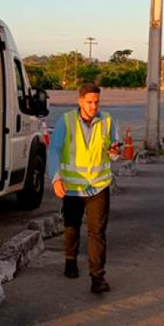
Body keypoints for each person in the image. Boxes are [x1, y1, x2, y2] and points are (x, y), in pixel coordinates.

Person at [47, 83, 120, 294]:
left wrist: (114, 151)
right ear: (80, 101)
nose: (93, 106)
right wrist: (56, 178)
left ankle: (97, 277)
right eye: (89, 102)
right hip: (72, 187)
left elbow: (114, 151)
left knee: (97, 232)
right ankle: (70, 259)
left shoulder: (107, 120)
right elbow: (54, 150)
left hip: (98, 186)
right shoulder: (66, 121)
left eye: (96, 102)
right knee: (71, 227)